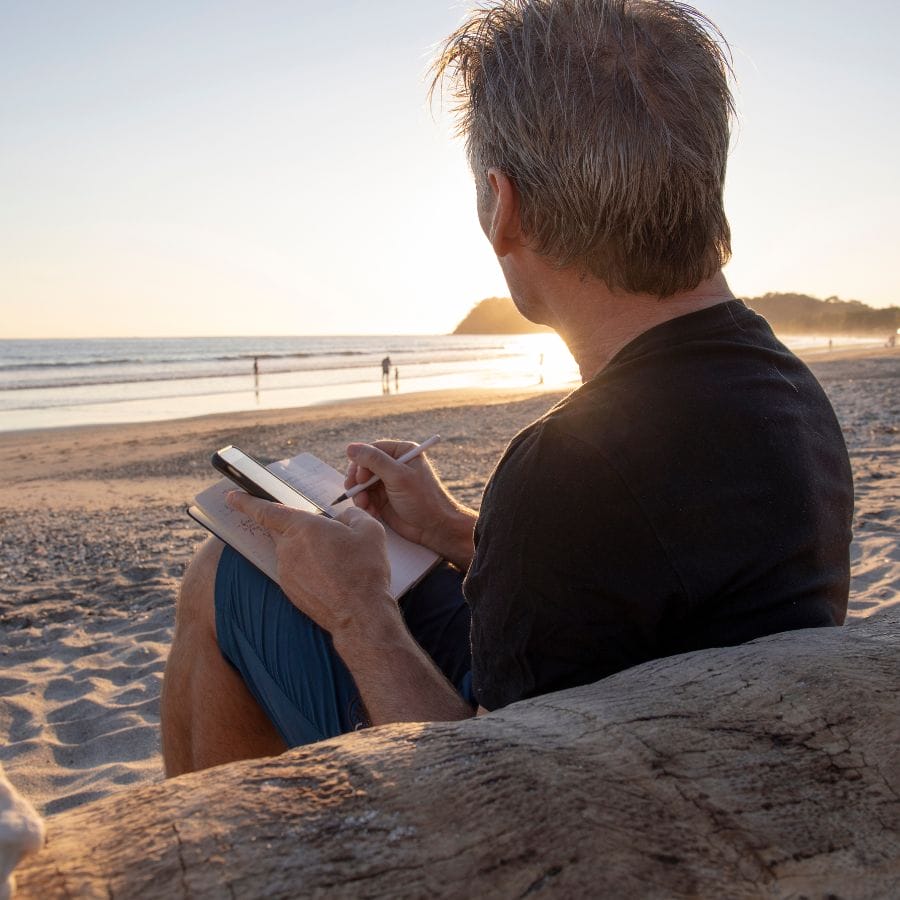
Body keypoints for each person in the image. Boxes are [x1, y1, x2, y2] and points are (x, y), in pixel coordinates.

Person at [161, 0, 853, 774]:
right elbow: (650, 579)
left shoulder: (568, 470)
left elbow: (487, 781)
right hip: (685, 732)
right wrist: (452, 529)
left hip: (595, 797)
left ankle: (213, 847)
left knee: (223, 576)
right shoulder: (789, 391)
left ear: (504, 206)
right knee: (236, 568)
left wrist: (360, 613)